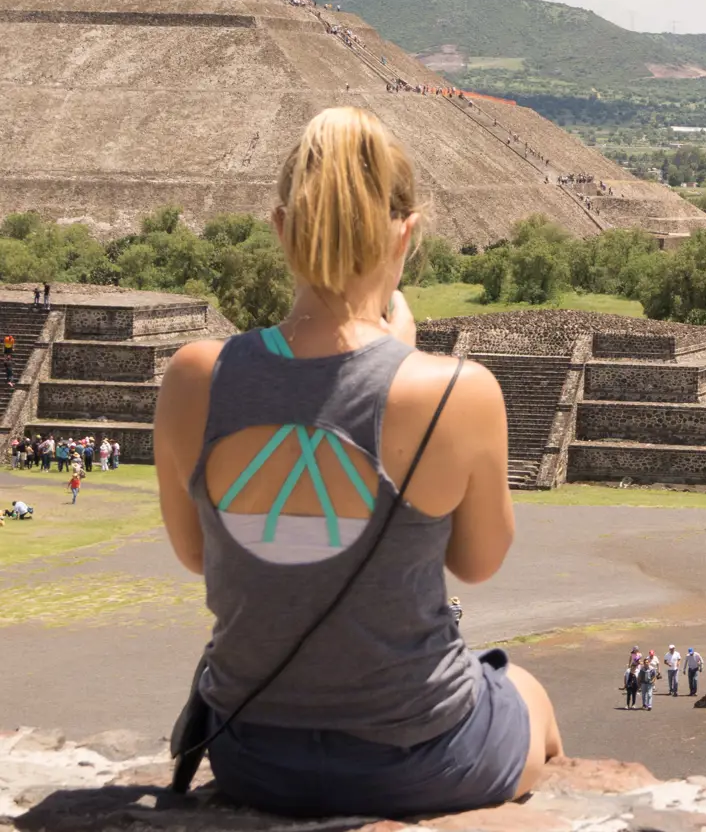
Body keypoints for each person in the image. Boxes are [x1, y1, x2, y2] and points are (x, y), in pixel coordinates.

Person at [153, 108, 563, 818]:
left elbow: (197, 555)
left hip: (250, 752)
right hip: (419, 754)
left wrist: (381, 349)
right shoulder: (455, 392)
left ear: (282, 229)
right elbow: (480, 561)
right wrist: (394, 352)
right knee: (528, 692)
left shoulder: (195, 377)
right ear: (406, 234)